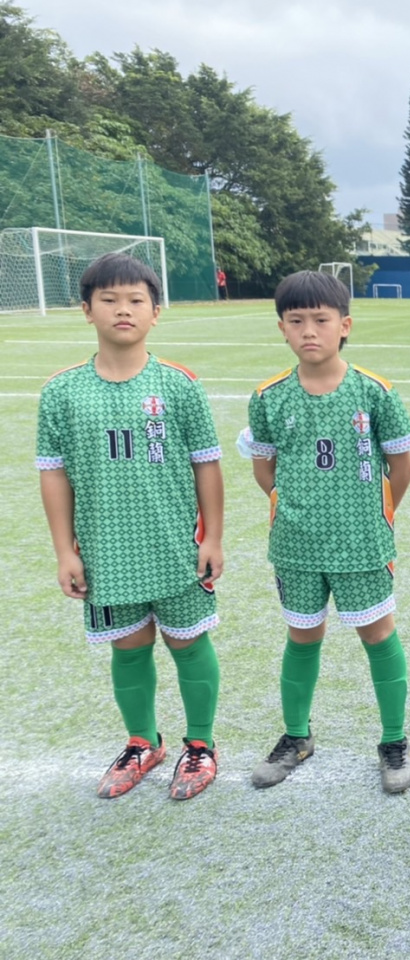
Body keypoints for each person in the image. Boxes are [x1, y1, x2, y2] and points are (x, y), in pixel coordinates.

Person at [37, 253, 224, 801]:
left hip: (175, 547)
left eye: (136, 300)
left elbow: (206, 465)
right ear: (86, 310)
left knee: (188, 642)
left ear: (155, 312)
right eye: (110, 300)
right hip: (105, 551)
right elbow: (53, 475)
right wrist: (64, 551)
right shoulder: (62, 392)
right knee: (128, 646)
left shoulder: (179, 385)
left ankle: (201, 745)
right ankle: (143, 742)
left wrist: (213, 537)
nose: (123, 310)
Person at [241, 271, 410, 794]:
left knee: (378, 635)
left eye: (320, 320)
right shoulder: (269, 397)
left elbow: (402, 467)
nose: (308, 331)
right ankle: (297, 736)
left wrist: (374, 513)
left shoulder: (374, 392)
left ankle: (394, 740)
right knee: (302, 637)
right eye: (296, 321)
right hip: (295, 545)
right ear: (282, 328)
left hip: (362, 543)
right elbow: (264, 469)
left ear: (344, 325)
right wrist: (294, 506)